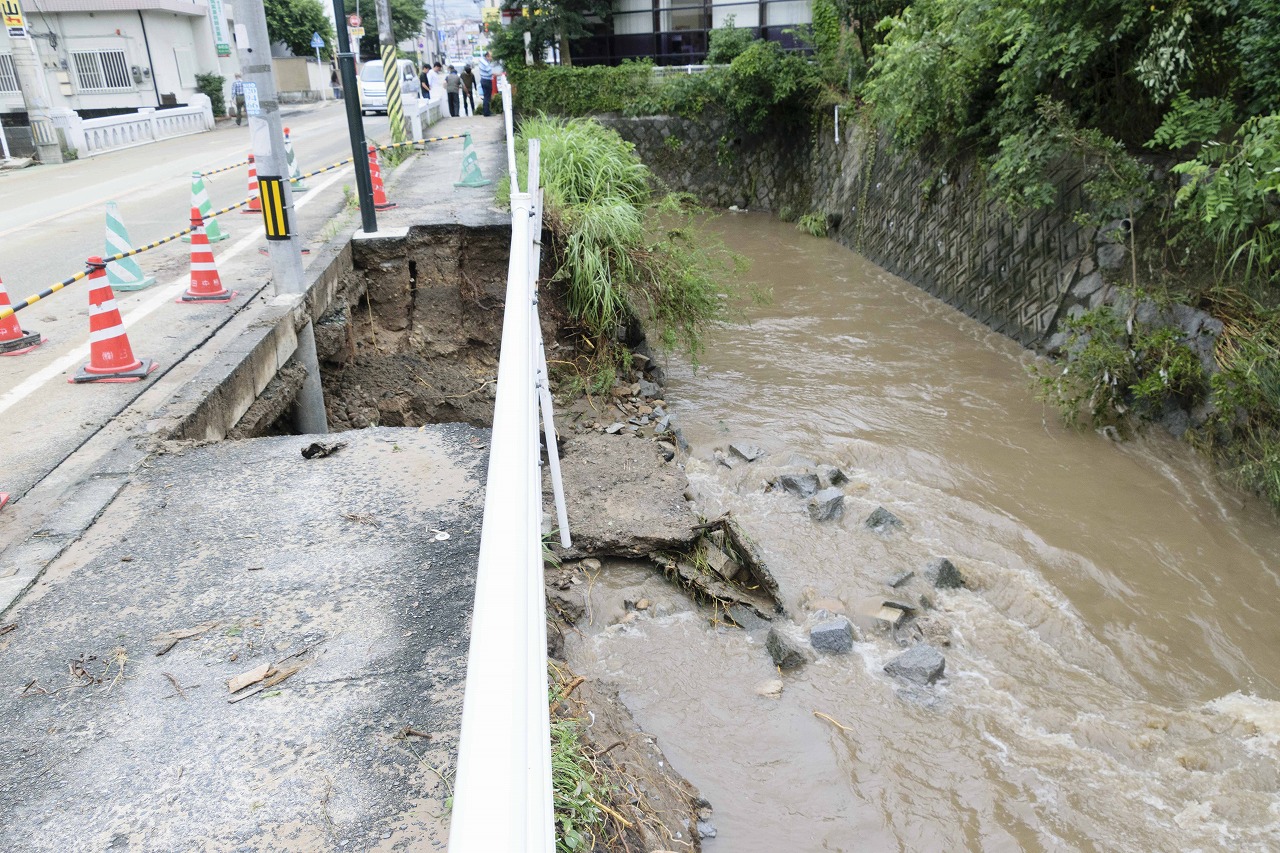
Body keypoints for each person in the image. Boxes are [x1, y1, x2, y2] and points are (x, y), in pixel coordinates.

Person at [477, 52, 493, 117]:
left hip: (484, 80)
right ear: (487, 56)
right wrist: (500, 74)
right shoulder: (485, 63)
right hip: (487, 80)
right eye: (490, 57)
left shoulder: (483, 61)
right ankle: (486, 112)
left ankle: (486, 111)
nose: (491, 58)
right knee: (487, 97)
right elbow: (490, 72)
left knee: (486, 96)